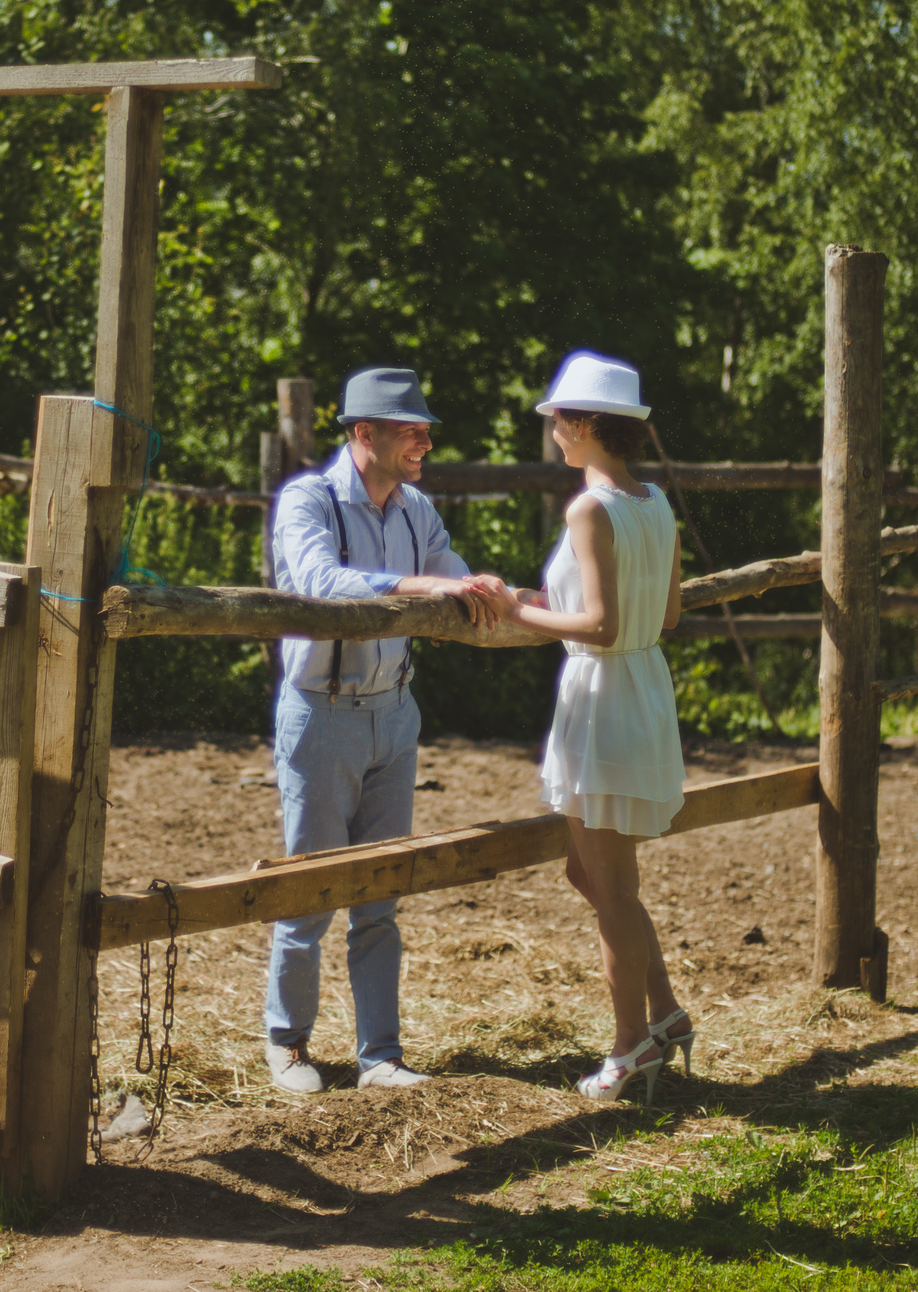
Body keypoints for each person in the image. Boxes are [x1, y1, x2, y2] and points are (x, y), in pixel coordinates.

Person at [262, 366, 505, 1094]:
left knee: (381, 894)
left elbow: (450, 574)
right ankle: (289, 1045)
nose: (425, 440)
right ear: (363, 433)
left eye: (423, 429)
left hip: (395, 716)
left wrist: (484, 588)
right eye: (411, 429)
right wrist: (425, 587)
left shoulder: (414, 509)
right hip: (321, 713)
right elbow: (318, 581)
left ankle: (381, 1055)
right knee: (310, 890)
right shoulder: (307, 500)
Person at [492, 351, 691, 1102]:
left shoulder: (589, 507)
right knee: (594, 874)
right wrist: (546, 599)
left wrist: (519, 611)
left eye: (556, 421)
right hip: (640, 687)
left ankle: (629, 1043)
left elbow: (598, 625)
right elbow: (664, 615)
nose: (552, 433)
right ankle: (665, 1014)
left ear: (580, 424)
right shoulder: (655, 502)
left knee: (611, 889)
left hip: (601, 693)